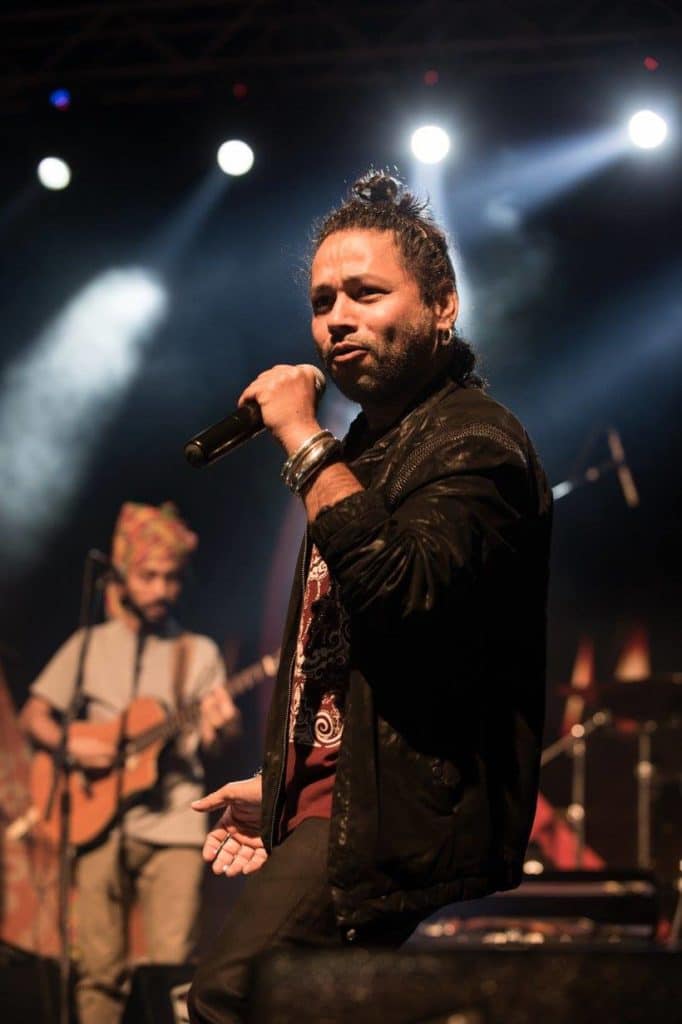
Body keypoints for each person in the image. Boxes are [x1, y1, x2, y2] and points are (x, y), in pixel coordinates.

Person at [187, 170, 553, 1024]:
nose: (337, 318)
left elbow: (400, 590)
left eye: (366, 292)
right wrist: (287, 782)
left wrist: (302, 438)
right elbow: (351, 658)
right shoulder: (372, 446)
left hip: (407, 821)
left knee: (233, 998)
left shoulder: (476, 442)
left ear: (443, 304)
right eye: (322, 301)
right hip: (345, 805)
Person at [20, 501, 240, 1024]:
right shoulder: (89, 644)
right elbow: (35, 715)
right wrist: (73, 743)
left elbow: (220, 741)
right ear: (122, 575)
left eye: (171, 578)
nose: (162, 589)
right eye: (149, 577)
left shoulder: (199, 651)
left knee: (172, 972)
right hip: (100, 826)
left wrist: (222, 727)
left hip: (176, 828)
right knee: (98, 972)